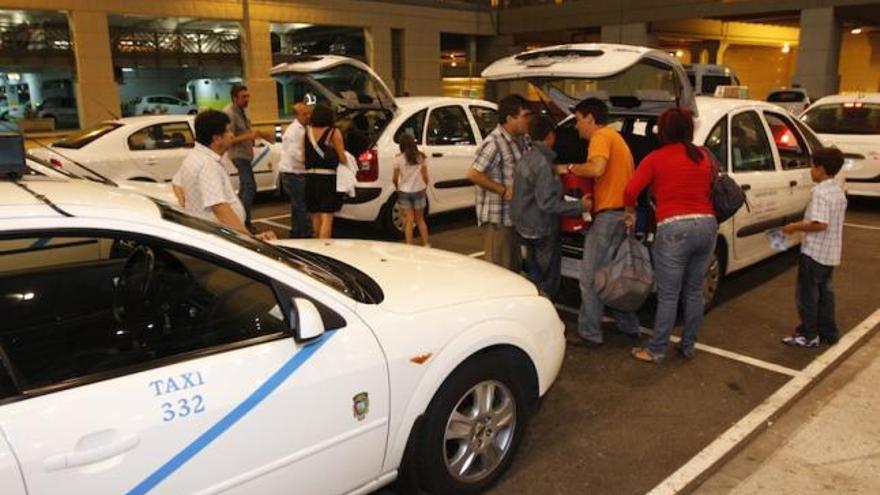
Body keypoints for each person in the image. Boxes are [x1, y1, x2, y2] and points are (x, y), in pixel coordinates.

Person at [623, 108, 717, 363]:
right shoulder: (703, 155)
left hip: (675, 227)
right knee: (694, 291)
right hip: (707, 225)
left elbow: (631, 190)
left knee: (668, 294)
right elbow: (712, 184)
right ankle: (688, 345)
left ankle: (656, 349)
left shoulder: (656, 158)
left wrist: (630, 211)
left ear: (662, 131)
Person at [561, 98, 640, 346]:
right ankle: (629, 326)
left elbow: (596, 169)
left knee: (590, 276)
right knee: (614, 276)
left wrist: (569, 167)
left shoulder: (601, 137)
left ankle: (589, 333)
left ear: (590, 119)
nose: (576, 127)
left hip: (608, 217)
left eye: (578, 120)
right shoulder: (618, 140)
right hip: (621, 214)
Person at [512, 115, 591, 298]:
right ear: (550, 136)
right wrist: (581, 206)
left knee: (534, 275)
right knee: (548, 281)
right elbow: (547, 203)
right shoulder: (543, 163)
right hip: (542, 229)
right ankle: (545, 311)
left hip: (525, 227)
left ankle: (535, 309)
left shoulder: (527, 158)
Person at [172, 110, 276, 241]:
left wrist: (189, 206)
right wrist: (250, 240)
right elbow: (219, 207)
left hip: (211, 234)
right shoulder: (208, 164)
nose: (232, 135)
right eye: (228, 131)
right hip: (219, 239)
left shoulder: (195, 157)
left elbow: (176, 183)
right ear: (216, 138)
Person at [781, 147, 847, 348]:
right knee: (826, 294)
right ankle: (828, 331)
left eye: (812, 166)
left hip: (814, 253)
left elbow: (820, 224)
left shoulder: (819, 193)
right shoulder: (837, 191)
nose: (810, 170)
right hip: (830, 253)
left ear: (821, 169)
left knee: (807, 296)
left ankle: (808, 334)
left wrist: (795, 227)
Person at [467, 94, 531, 271]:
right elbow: (474, 174)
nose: (528, 121)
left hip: (515, 218)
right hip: (498, 220)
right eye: (525, 116)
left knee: (514, 268)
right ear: (510, 118)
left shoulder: (522, 140)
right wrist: (503, 190)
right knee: (499, 270)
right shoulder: (495, 142)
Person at [224, 84, 264, 228]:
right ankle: (244, 222)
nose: (247, 99)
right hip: (238, 155)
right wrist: (249, 135)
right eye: (244, 97)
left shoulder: (242, 111)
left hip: (245, 154)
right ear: (235, 98)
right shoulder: (230, 113)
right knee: (250, 187)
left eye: (248, 96)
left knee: (245, 188)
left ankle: (239, 218)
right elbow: (229, 139)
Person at [304, 104, 346, 239]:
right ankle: (325, 248)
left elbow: (302, 156)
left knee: (315, 215)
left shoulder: (307, 131)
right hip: (327, 178)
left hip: (310, 177)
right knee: (327, 217)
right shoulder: (333, 132)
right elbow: (342, 158)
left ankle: (317, 246)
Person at [279, 101, 314, 238]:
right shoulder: (295, 131)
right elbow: (296, 153)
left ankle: (296, 232)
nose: (308, 116)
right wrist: (310, 162)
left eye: (309, 113)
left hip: (294, 172)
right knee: (302, 205)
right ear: (296, 115)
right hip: (293, 173)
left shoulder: (303, 128)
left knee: (296, 205)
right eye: (304, 114)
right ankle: (306, 235)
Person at [392, 133, 430, 246]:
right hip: (419, 190)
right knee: (420, 220)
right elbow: (425, 176)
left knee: (408, 220)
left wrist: (397, 188)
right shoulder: (421, 157)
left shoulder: (398, 159)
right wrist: (425, 185)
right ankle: (426, 244)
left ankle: (409, 245)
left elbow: (394, 178)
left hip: (404, 191)